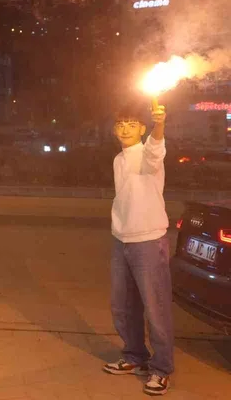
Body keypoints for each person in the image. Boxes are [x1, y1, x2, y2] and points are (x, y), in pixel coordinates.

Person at [102, 102, 174, 396]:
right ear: (114, 130)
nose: (125, 129)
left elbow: (156, 149)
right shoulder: (119, 159)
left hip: (148, 240)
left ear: (142, 128)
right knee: (123, 305)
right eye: (120, 124)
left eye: (132, 124)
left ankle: (161, 369)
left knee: (156, 308)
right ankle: (134, 356)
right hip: (122, 239)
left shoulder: (148, 153)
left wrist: (160, 124)